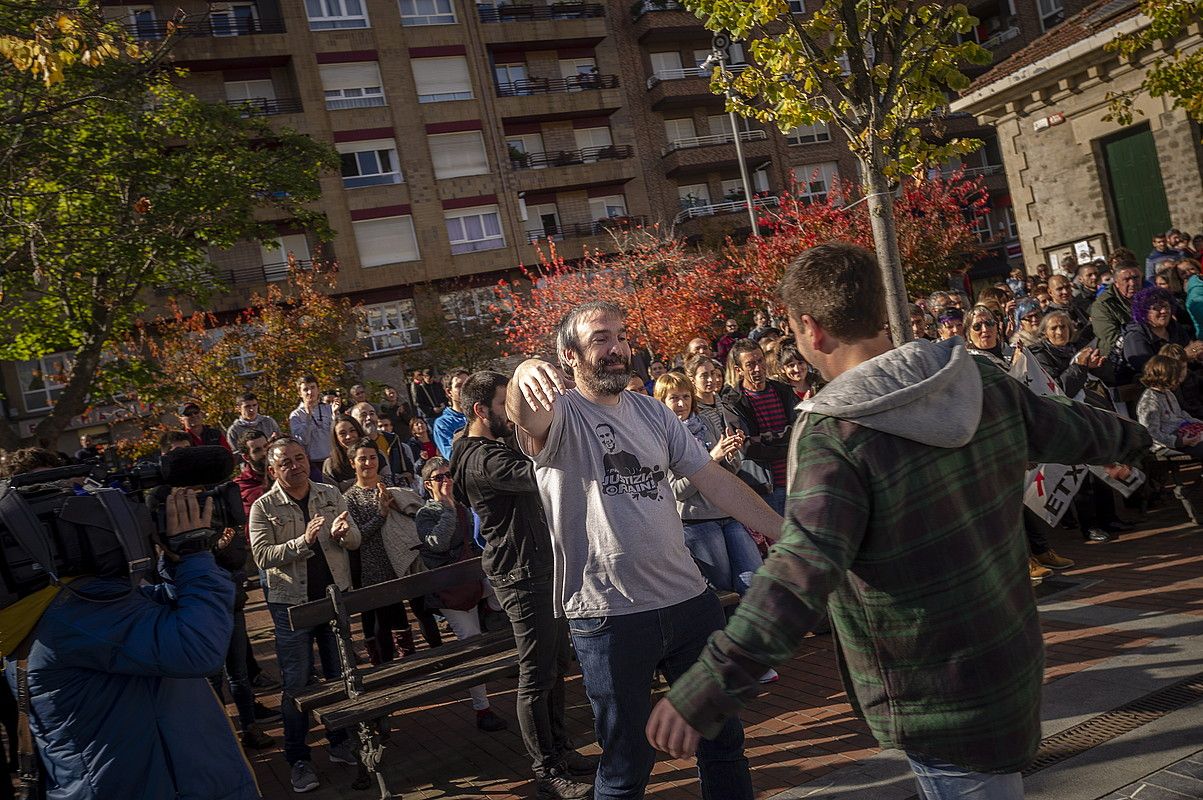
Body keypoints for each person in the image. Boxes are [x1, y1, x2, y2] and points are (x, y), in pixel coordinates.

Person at [645, 242, 1152, 799]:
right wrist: (1138, 438)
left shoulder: (835, 435)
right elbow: (1078, 429)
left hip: (931, 691)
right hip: (1007, 655)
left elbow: (797, 575)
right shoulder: (977, 380)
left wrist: (706, 689)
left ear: (811, 331)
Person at [508, 300, 784, 800]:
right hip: (610, 618)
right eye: (599, 339)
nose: (615, 348)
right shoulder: (561, 416)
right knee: (625, 766)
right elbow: (524, 413)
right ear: (568, 356)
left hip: (688, 603)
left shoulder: (653, 411)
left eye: (620, 336)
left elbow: (713, 481)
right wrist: (523, 373)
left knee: (723, 742)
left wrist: (788, 534)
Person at [3, 486, 259, 800]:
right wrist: (195, 556)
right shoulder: (72, 619)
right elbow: (197, 646)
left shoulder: (49, 610)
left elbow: (160, 612)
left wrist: (177, 561)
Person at [450, 371, 596, 799]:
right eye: (503, 406)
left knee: (554, 666)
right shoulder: (483, 459)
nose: (512, 415)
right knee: (535, 674)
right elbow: (542, 472)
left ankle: (562, 750)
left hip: (537, 567)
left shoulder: (488, 448)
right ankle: (546, 768)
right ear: (480, 411)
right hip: (521, 573)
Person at [248, 437, 361, 793]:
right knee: (296, 683)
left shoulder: (329, 494)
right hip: (291, 606)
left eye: (300, 458)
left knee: (338, 674)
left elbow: (354, 540)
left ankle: (339, 741)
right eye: (286, 462)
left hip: (333, 598)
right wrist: (303, 542)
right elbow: (262, 556)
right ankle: (298, 758)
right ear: (272, 470)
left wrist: (345, 535)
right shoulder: (263, 507)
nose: (296, 466)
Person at [653, 373, 768, 610]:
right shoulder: (660, 436)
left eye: (686, 396)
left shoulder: (705, 424)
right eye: (674, 398)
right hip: (697, 522)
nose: (682, 404)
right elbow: (677, 490)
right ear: (661, 401)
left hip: (728, 514)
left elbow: (730, 473)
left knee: (754, 580)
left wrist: (731, 454)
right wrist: (710, 459)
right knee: (723, 587)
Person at [414, 457, 509, 733]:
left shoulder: (465, 507)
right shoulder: (426, 514)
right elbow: (438, 543)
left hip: (475, 580)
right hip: (450, 591)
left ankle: (491, 610)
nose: (445, 481)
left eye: (448, 475)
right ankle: (483, 710)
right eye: (438, 477)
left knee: (506, 586)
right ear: (428, 484)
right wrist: (446, 508)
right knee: (472, 645)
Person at [342, 438, 434, 664]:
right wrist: (380, 514)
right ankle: (386, 671)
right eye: (362, 458)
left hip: (405, 560)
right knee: (382, 622)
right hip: (375, 567)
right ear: (352, 463)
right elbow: (358, 536)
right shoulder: (348, 498)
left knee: (421, 612)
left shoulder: (391, 486)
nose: (368, 463)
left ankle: (431, 660)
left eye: (372, 457)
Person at [725, 338, 799, 516]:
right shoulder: (733, 403)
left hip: (797, 480)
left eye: (760, 360)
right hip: (767, 489)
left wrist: (766, 439)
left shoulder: (784, 391)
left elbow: (799, 431)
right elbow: (748, 447)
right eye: (750, 364)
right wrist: (786, 442)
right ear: (739, 370)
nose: (757, 368)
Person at [350, 401, 414, 488]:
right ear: (354, 421)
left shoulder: (392, 438)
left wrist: (408, 474)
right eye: (363, 415)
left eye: (372, 414)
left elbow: (405, 464)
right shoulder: (353, 445)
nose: (369, 418)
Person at [288, 375, 334, 482]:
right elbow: (302, 441)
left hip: (333, 460)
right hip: (314, 463)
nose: (310, 392)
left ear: (318, 389)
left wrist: (336, 415)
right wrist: (308, 418)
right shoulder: (296, 415)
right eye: (305, 389)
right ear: (299, 393)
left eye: (313, 388)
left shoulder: (328, 409)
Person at [432, 367, 471, 459]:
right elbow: (452, 455)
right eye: (459, 385)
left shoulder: (483, 412)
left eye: (468, 384)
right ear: (449, 392)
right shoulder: (443, 424)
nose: (465, 388)